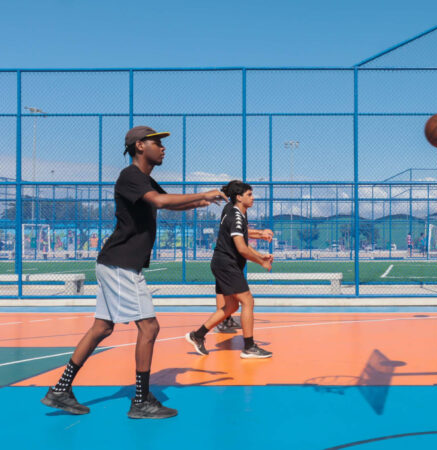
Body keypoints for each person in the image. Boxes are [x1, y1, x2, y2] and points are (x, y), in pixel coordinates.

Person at [41, 126, 226, 419]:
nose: (164, 148)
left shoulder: (144, 179)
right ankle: (140, 401)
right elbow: (161, 201)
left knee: (102, 327)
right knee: (149, 327)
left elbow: (169, 203)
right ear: (140, 146)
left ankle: (60, 390)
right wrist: (203, 192)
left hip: (116, 262)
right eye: (158, 143)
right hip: (120, 264)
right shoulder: (130, 177)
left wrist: (202, 201)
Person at [186, 180, 274, 359]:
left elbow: (243, 239)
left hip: (222, 263)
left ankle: (198, 335)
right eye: (249, 194)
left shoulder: (235, 212)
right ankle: (249, 347)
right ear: (239, 197)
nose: (253, 197)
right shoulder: (236, 216)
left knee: (231, 306)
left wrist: (260, 254)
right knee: (248, 301)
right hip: (226, 265)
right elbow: (241, 248)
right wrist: (261, 261)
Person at [215, 226, 273, 333]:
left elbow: (244, 240)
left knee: (232, 301)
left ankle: (224, 320)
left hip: (231, 262)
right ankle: (217, 325)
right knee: (245, 300)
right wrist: (261, 234)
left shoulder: (240, 215)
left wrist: (261, 255)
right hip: (226, 262)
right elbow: (242, 240)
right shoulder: (232, 211)